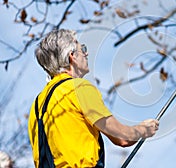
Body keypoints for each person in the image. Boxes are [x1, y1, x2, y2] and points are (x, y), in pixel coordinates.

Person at [28, 29, 159, 167]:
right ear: (72, 56)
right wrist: (143, 129)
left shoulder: (37, 105)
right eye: (82, 49)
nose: (86, 53)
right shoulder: (78, 88)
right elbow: (122, 138)